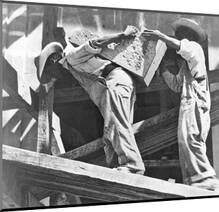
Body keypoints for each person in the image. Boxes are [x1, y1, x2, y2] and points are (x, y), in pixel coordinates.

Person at [35, 26, 145, 175]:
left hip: (114, 83)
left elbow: (96, 43)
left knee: (117, 126)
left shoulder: (72, 57)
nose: (53, 76)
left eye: (49, 72)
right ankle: (117, 168)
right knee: (110, 132)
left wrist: (121, 35)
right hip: (116, 85)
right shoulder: (71, 68)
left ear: (54, 60)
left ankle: (132, 166)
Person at [142, 18, 219, 190]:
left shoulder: (195, 48)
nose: (178, 37)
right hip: (188, 101)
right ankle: (195, 180)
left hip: (195, 101)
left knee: (192, 138)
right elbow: (177, 85)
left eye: (180, 34)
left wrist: (160, 36)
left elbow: (181, 46)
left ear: (188, 35)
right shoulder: (186, 63)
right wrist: (163, 69)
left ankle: (205, 177)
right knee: (185, 140)